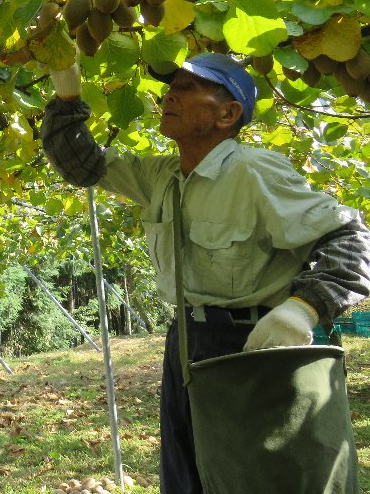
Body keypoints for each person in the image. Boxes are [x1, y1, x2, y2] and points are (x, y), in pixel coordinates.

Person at [41, 51, 370, 493]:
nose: (168, 96)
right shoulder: (161, 174)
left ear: (227, 113)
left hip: (251, 347)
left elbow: (351, 241)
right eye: (170, 86)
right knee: (187, 475)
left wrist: (302, 309)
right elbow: (81, 162)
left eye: (186, 88)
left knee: (256, 479)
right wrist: (66, 88)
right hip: (185, 343)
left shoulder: (253, 172)